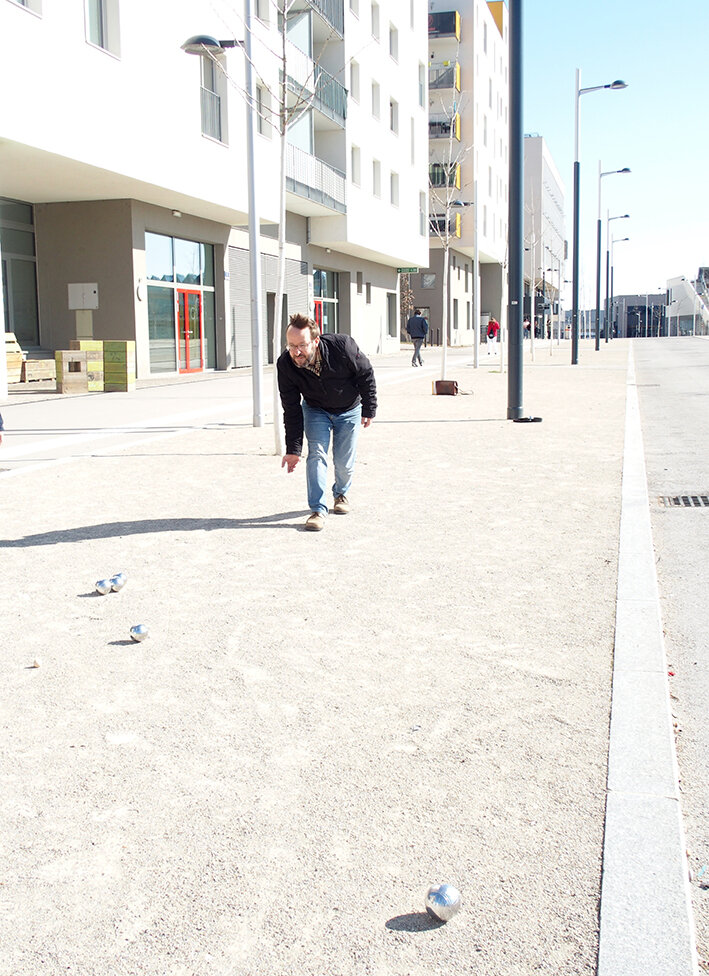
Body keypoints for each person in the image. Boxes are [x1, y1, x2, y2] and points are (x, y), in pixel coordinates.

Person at [277, 313, 377, 532]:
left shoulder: (342, 347)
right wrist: (293, 449)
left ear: (316, 340)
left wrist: (369, 408)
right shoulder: (286, 364)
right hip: (315, 409)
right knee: (317, 454)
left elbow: (366, 373)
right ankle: (317, 510)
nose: (296, 352)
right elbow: (291, 409)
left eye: (302, 345)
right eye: (291, 346)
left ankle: (341, 494)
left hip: (349, 409)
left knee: (343, 461)